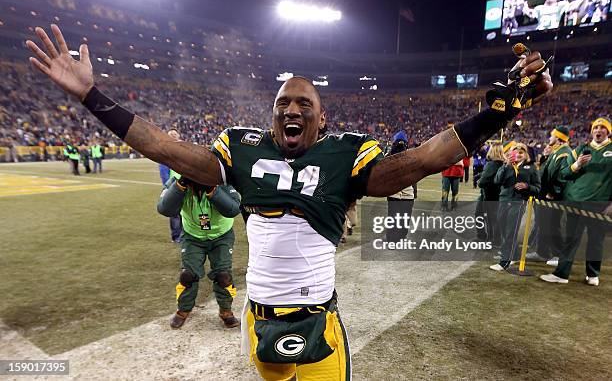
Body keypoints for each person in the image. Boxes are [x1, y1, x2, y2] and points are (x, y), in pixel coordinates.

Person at [26, 24, 552, 381]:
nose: (292, 108)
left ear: (322, 119)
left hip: (316, 318)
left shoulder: (345, 154)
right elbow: (166, 147)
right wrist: (92, 96)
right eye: (283, 103)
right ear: (272, 115)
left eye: (305, 103)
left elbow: (419, 162)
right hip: (261, 317)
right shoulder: (241, 147)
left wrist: (495, 114)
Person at [157, 175, 242, 328]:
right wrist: (181, 184)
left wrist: (212, 189)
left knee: (223, 275)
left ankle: (225, 310)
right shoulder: (177, 178)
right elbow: (164, 208)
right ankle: (183, 310)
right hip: (192, 235)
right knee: (188, 275)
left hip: (221, 235)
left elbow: (233, 209)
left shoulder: (222, 178)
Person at [540, 118, 612, 286]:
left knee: (596, 240)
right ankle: (562, 274)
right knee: (571, 239)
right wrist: (577, 165)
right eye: (596, 127)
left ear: (608, 132)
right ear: (592, 131)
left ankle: (593, 273)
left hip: (599, 203)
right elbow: (564, 173)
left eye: (603, 128)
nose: (598, 130)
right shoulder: (581, 149)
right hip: (576, 201)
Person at [489, 142, 541, 271]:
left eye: (521, 152)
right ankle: (513, 254)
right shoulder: (506, 165)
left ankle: (505, 262)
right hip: (504, 201)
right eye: (515, 151)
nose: (518, 154)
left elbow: (538, 188)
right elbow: (497, 181)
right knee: (502, 229)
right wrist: (506, 165)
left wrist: (527, 187)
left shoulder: (531, 168)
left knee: (510, 232)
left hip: (518, 203)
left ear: (525, 155)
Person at [527, 126, 572, 263]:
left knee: (553, 225)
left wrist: (553, 192)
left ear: (558, 138)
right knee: (543, 224)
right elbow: (547, 172)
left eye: (552, 136)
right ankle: (542, 252)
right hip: (545, 195)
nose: (549, 138)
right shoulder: (557, 151)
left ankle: (559, 255)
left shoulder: (564, 153)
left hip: (552, 197)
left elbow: (562, 176)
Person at [385, 131, 417, 242]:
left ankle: (392, 239)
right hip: (408, 193)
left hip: (394, 192)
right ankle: (401, 238)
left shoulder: (389, 156)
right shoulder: (411, 156)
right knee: (405, 217)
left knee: (393, 216)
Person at [477, 142, 505, 246]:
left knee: (486, 217)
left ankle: (488, 238)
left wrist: (479, 181)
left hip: (488, 195)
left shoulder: (492, 164)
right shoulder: (504, 163)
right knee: (495, 218)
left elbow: (484, 181)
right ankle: (495, 239)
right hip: (499, 195)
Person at [159, 129, 184, 243]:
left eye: (175, 133)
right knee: (174, 212)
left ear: (179, 135)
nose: (173, 135)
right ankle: (176, 236)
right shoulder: (165, 152)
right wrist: (167, 186)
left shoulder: (184, 148)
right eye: (170, 134)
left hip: (186, 184)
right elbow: (163, 172)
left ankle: (185, 234)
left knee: (186, 211)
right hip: (173, 186)